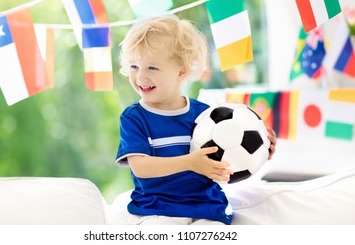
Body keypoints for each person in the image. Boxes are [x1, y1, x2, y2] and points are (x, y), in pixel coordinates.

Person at [115, 15, 277, 225]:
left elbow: (225, 165)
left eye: (152, 68)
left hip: (208, 207)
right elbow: (141, 167)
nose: (140, 77)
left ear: (181, 71)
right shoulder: (134, 117)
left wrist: (261, 150)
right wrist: (190, 162)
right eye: (134, 66)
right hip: (156, 208)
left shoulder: (208, 116)